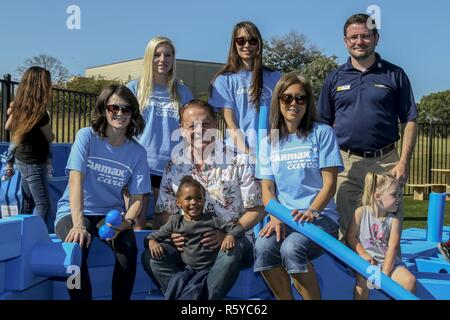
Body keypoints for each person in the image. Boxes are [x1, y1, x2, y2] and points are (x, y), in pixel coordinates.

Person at [142, 99, 265, 300]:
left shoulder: (238, 161)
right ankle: (195, 296)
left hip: (232, 241)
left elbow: (258, 209)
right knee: (152, 256)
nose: (200, 130)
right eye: (192, 126)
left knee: (230, 253)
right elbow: (164, 213)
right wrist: (173, 235)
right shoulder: (174, 167)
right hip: (189, 246)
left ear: (216, 125)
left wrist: (226, 234)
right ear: (182, 130)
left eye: (205, 124)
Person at [316, 13, 418, 239]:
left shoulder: (395, 74)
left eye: (365, 36)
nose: (359, 41)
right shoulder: (334, 78)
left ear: (376, 38)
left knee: (386, 233)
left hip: (386, 163)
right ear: (345, 41)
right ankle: (350, 275)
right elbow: (322, 125)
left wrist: (403, 162)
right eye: (353, 37)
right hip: (345, 164)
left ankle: (385, 274)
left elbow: (410, 120)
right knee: (345, 233)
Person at [54, 84, 151, 300]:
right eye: (113, 108)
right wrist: (78, 224)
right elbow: (76, 181)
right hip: (73, 211)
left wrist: (127, 222)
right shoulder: (86, 136)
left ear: (132, 113)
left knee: (128, 247)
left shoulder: (137, 152)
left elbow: (137, 198)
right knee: (75, 251)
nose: (119, 113)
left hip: (109, 215)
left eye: (126, 109)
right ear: (104, 109)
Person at [255, 72, 343, 300]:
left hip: (321, 218)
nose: (294, 103)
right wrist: (275, 216)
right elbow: (267, 190)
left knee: (291, 248)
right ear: (278, 101)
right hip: (284, 218)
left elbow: (330, 184)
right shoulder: (268, 142)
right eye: (287, 98)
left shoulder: (322, 133)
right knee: (262, 249)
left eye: (300, 98)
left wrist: (312, 211)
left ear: (308, 102)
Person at [127, 36, 193, 230]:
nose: (162, 59)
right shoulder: (134, 88)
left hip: (171, 166)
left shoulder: (183, 92)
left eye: (167, 54)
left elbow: (191, 129)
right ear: (149, 58)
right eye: (157, 55)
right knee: (135, 226)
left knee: (165, 228)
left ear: (173, 59)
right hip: (139, 164)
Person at [147, 176, 244, 299]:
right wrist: (152, 242)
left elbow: (237, 228)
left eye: (199, 198)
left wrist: (229, 236)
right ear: (178, 202)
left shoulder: (212, 219)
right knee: (178, 282)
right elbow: (152, 236)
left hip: (209, 268)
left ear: (204, 200)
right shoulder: (175, 221)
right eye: (188, 198)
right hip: (188, 268)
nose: (194, 202)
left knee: (196, 288)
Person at [209, 21, 281, 155]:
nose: (247, 45)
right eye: (241, 41)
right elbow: (231, 124)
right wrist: (248, 153)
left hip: (270, 152)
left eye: (252, 41)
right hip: (237, 152)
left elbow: (280, 118)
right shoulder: (223, 80)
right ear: (234, 44)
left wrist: (268, 151)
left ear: (259, 44)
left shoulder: (276, 77)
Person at [346, 171, 416, 299]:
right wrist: (363, 254)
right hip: (368, 262)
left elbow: (393, 247)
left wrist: (385, 272)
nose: (399, 199)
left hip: (389, 263)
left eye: (399, 194)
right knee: (362, 283)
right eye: (395, 195)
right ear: (378, 196)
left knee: (409, 281)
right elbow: (350, 237)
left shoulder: (394, 220)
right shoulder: (360, 213)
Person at [5, 66, 55, 224]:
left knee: (28, 202)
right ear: (41, 87)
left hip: (23, 159)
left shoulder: (20, 108)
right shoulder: (40, 113)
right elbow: (50, 136)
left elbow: (8, 127)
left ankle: (21, 235)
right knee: (44, 205)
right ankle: (36, 240)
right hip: (33, 162)